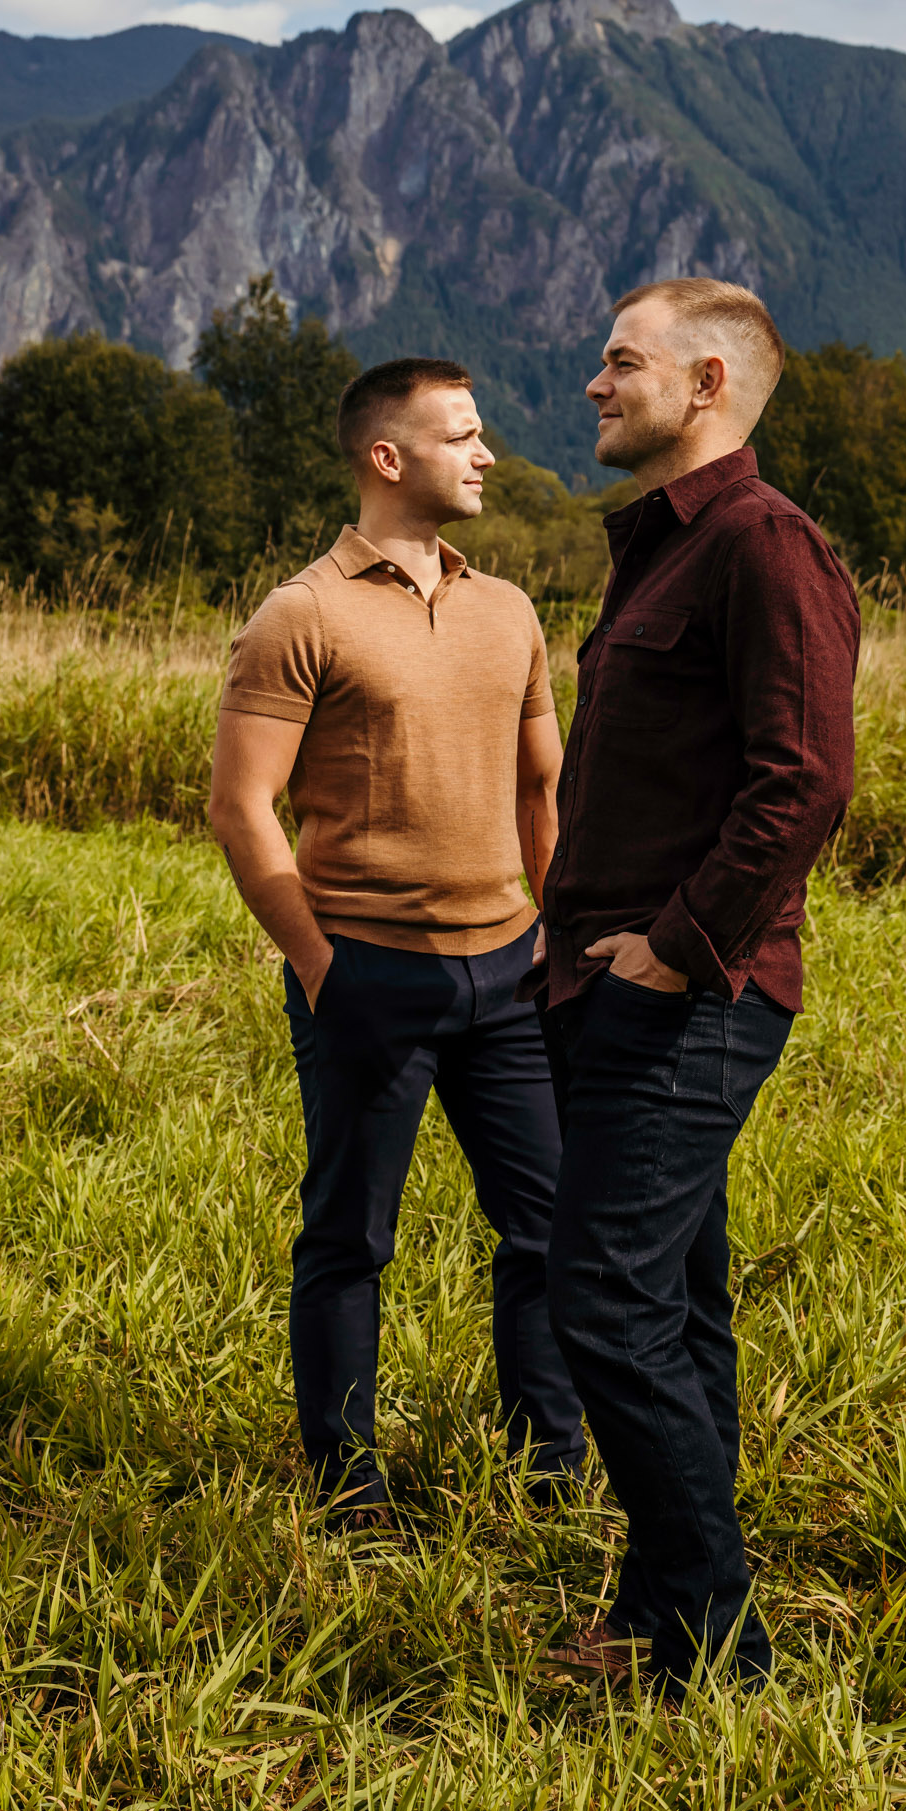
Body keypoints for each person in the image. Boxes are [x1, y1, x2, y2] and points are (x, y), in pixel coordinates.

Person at [532, 277, 859, 1691]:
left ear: (707, 382)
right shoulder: (658, 550)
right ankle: (663, 1611)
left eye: (621, 362)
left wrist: (672, 946)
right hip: (609, 991)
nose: (595, 385)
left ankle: (712, 1641)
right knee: (668, 1303)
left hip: (689, 997)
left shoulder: (760, 547)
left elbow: (803, 784)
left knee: (599, 1303)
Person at [208, 355, 585, 1525]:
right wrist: (323, 965)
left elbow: (543, 788)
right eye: (461, 436)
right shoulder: (300, 614)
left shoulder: (508, 609)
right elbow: (240, 805)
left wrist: (557, 935)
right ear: (387, 458)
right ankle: (345, 1483)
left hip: (514, 974)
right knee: (349, 1235)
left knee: (546, 1226)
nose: (485, 454)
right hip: (368, 971)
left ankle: (548, 1468)